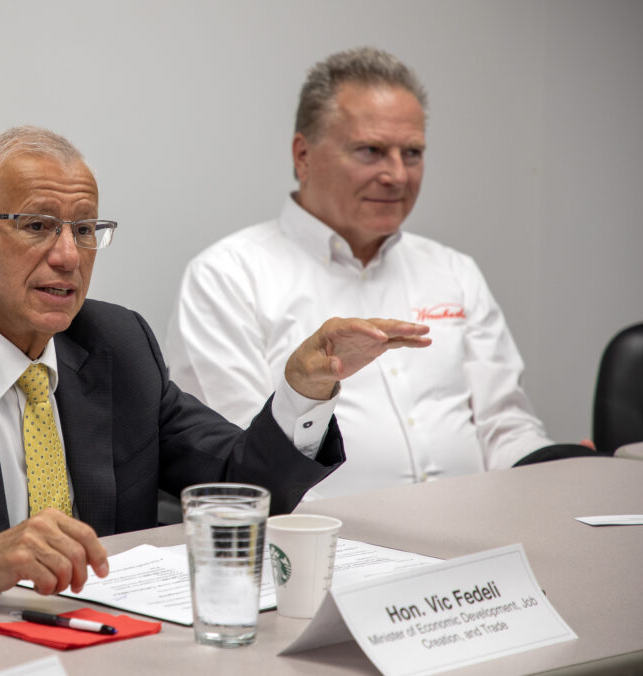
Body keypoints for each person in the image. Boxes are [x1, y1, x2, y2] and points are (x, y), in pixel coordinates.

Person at [0, 126, 430, 607]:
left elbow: (238, 487)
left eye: (86, 230)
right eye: (38, 226)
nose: (68, 255)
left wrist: (303, 390)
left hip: (109, 646)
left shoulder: (116, 344)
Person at [166, 47, 592, 501]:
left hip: (474, 541)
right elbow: (241, 466)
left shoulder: (453, 270)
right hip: (325, 553)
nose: (397, 175)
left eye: (412, 153)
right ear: (303, 155)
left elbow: (504, 428)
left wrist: (556, 465)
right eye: (371, 150)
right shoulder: (228, 276)